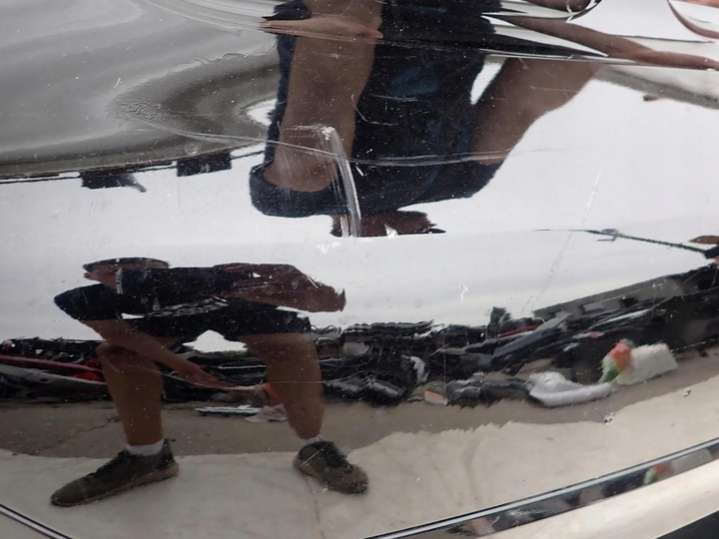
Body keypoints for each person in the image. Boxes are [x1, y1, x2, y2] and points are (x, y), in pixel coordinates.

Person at [251, 0, 719, 236]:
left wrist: (610, 45)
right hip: (449, 16)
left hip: (365, 24)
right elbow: (529, 95)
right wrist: (615, 45)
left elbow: (319, 110)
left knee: (310, 166)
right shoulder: (458, 182)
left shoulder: (297, 201)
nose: (400, 235)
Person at [50, 257, 367, 507]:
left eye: (137, 264)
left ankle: (315, 446)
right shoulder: (83, 298)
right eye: (114, 269)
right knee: (117, 354)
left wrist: (292, 280)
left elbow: (331, 303)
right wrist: (180, 364)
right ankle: (146, 457)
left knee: (293, 346)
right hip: (171, 319)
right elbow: (118, 334)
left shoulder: (225, 276)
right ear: (93, 274)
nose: (128, 273)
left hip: (238, 307)